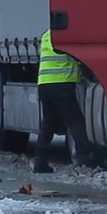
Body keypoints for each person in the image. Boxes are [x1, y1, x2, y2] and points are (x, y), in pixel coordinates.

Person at [32, 27, 93, 173]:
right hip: (62, 84)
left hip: (45, 84)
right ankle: (85, 160)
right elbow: (80, 57)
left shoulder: (46, 35)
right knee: (75, 121)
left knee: (48, 122)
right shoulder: (66, 34)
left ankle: (40, 161)